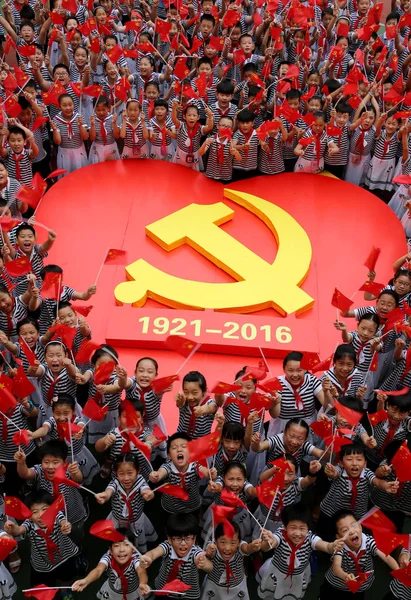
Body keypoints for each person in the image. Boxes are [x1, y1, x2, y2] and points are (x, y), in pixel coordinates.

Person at [257, 502, 343, 600]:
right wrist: (267, 541)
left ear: (308, 527)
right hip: (278, 574)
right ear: (285, 527)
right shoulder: (280, 534)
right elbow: (267, 547)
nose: (298, 533)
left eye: (302, 528)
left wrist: (333, 546)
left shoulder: (310, 537)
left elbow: (326, 546)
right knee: (273, 593)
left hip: (298, 576)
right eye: (293, 528)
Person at [4, 490, 79, 588]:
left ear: (52, 508)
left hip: (64, 555)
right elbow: (19, 530)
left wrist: (65, 525)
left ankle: (65, 588)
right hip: (42, 562)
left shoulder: (56, 515)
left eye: (45, 509)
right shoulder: (29, 523)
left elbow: (63, 521)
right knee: (46, 583)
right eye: (35, 512)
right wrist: (13, 528)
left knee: (66, 576)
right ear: (29, 515)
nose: (41, 514)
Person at [319, 509, 399, 600]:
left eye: (353, 525)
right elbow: (336, 567)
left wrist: (399, 570)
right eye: (345, 530)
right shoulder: (339, 546)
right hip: (336, 585)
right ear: (338, 536)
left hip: (360, 587)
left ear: (360, 526)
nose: (352, 531)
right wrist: (345, 576)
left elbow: (387, 557)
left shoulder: (369, 541)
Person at [139, 513, 213, 600]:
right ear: (169, 539)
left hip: (188, 594)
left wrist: (204, 564)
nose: (183, 543)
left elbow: (210, 567)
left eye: (188, 538)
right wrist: (148, 557)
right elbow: (154, 552)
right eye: (178, 538)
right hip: (163, 589)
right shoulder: (167, 546)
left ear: (194, 539)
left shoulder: (195, 552)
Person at [95, 453, 156, 552]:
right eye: (121, 473)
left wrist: (149, 494)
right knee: (119, 541)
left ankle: (137, 552)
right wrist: (104, 496)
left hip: (135, 521)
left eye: (130, 473)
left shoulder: (141, 481)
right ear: (115, 473)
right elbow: (108, 491)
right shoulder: (115, 482)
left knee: (137, 539)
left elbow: (146, 490)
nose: (126, 478)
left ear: (138, 470)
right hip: (118, 520)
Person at [72, 529, 148, 600]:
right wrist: (86, 580)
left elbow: (141, 572)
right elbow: (98, 570)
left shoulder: (136, 558)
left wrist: (143, 583)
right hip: (112, 593)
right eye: (116, 545)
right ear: (110, 550)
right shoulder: (108, 557)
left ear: (133, 549)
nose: (121, 550)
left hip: (133, 594)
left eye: (126, 545)